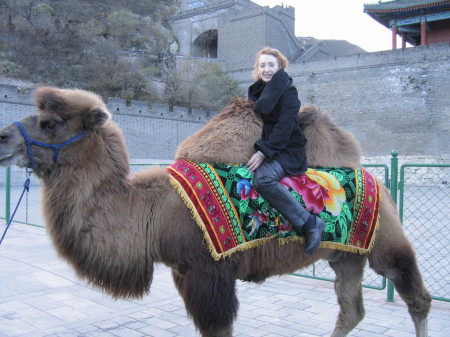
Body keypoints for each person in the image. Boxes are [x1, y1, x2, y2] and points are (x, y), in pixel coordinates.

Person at [246, 47, 325, 254]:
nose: (266, 69)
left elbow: (285, 125)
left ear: (280, 67)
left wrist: (263, 152)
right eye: (262, 65)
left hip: (287, 148)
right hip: (267, 144)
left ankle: (309, 222)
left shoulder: (288, 91)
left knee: (264, 180)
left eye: (271, 65)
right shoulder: (255, 91)